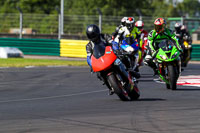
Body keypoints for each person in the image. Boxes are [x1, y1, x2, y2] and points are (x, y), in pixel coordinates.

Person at [86, 24, 135, 95]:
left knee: (123, 57)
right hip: (102, 61)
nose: (94, 37)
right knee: (98, 74)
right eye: (91, 36)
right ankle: (110, 86)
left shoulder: (104, 36)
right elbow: (88, 57)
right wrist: (91, 64)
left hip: (111, 55)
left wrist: (116, 49)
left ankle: (130, 69)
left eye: (94, 35)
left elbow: (113, 43)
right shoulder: (89, 46)